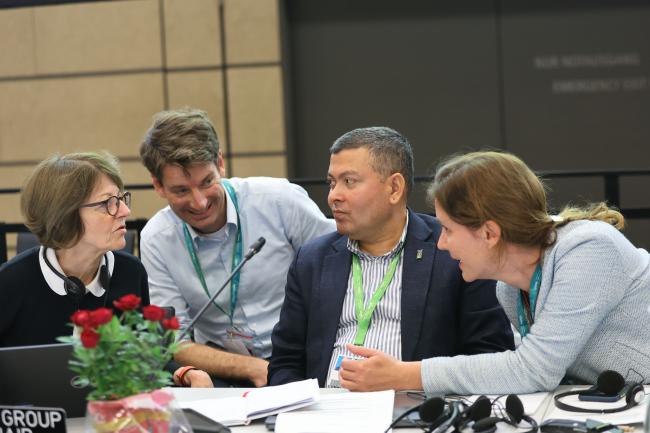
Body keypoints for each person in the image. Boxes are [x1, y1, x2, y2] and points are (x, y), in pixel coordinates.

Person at [336, 150, 650, 394]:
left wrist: (406, 374)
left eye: (447, 229)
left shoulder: (588, 249)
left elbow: (534, 369)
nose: (441, 244)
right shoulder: (508, 289)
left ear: (489, 233)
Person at [267, 127, 514, 388]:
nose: (333, 196)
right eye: (332, 182)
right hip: (326, 412)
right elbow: (285, 362)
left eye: (349, 181)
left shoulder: (455, 252)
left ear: (394, 188)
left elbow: (489, 352)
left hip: (414, 412)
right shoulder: (312, 260)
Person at [138, 108, 335, 387]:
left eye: (207, 182)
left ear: (220, 163)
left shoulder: (279, 201)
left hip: (309, 358)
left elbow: (341, 270)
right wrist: (254, 368)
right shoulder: (157, 239)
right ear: (158, 185)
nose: (200, 202)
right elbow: (176, 342)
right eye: (182, 190)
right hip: (230, 374)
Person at [0, 152, 211, 387]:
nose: (124, 211)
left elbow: (144, 358)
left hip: (110, 417)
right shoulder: (10, 283)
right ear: (63, 216)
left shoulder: (130, 272)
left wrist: (182, 372)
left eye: (121, 199)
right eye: (107, 203)